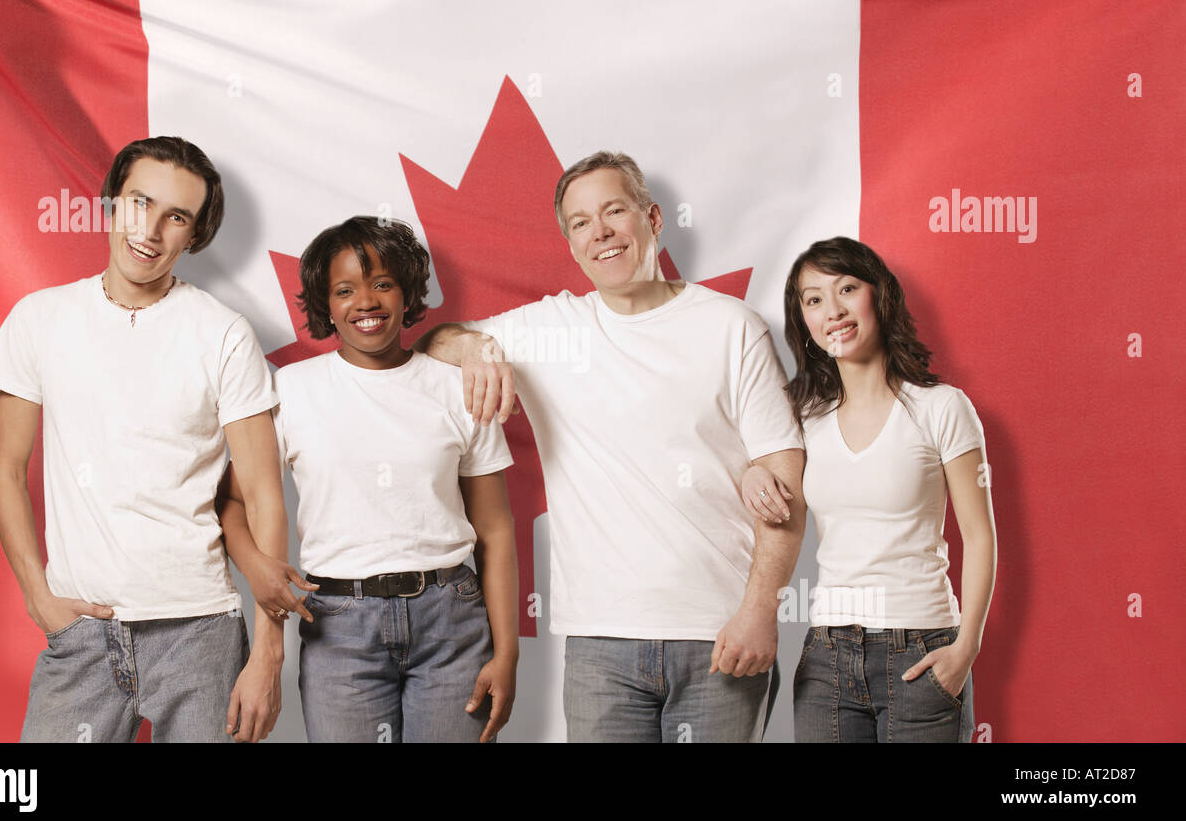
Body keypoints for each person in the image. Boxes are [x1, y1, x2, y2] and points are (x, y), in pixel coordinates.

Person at [415, 151, 805, 742]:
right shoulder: (553, 330)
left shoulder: (731, 327)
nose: (599, 232)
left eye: (614, 211)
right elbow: (437, 343)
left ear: (651, 219)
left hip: (720, 631)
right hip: (600, 643)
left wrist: (760, 612)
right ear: (571, 244)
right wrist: (478, 351)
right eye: (580, 222)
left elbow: (785, 480)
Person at [0, 136, 289, 743]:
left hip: (200, 631)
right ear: (111, 203)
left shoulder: (222, 333)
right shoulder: (40, 318)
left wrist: (269, 655)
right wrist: (39, 597)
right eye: (139, 202)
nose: (150, 229)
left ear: (194, 235)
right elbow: (5, 471)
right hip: (84, 630)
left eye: (177, 217)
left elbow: (262, 495)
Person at [218, 216, 518, 743]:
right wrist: (257, 567)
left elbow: (495, 531)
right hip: (338, 626)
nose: (367, 302)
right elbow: (233, 502)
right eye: (345, 290)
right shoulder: (293, 390)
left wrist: (508, 653)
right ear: (326, 305)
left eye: (382, 283)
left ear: (406, 293)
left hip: (450, 619)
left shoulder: (457, 388)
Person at [744, 236, 997, 742]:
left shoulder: (941, 407)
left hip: (922, 649)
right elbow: (753, 458)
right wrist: (752, 470)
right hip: (826, 660)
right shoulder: (802, 418)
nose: (832, 310)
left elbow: (980, 534)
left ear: (879, 296)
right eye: (813, 299)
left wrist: (966, 647)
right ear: (806, 325)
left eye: (847, 289)